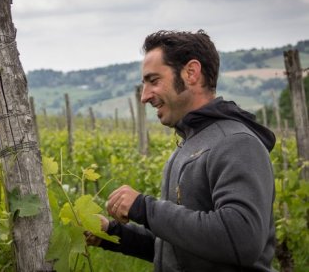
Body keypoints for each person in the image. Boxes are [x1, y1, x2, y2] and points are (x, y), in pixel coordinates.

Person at [91, 30, 276, 271]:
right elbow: (180, 249)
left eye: (153, 80)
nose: (145, 96)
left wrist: (145, 208)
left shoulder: (236, 143)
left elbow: (241, 239)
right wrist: (112, 233)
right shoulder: (190, 145)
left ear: (191, 73)